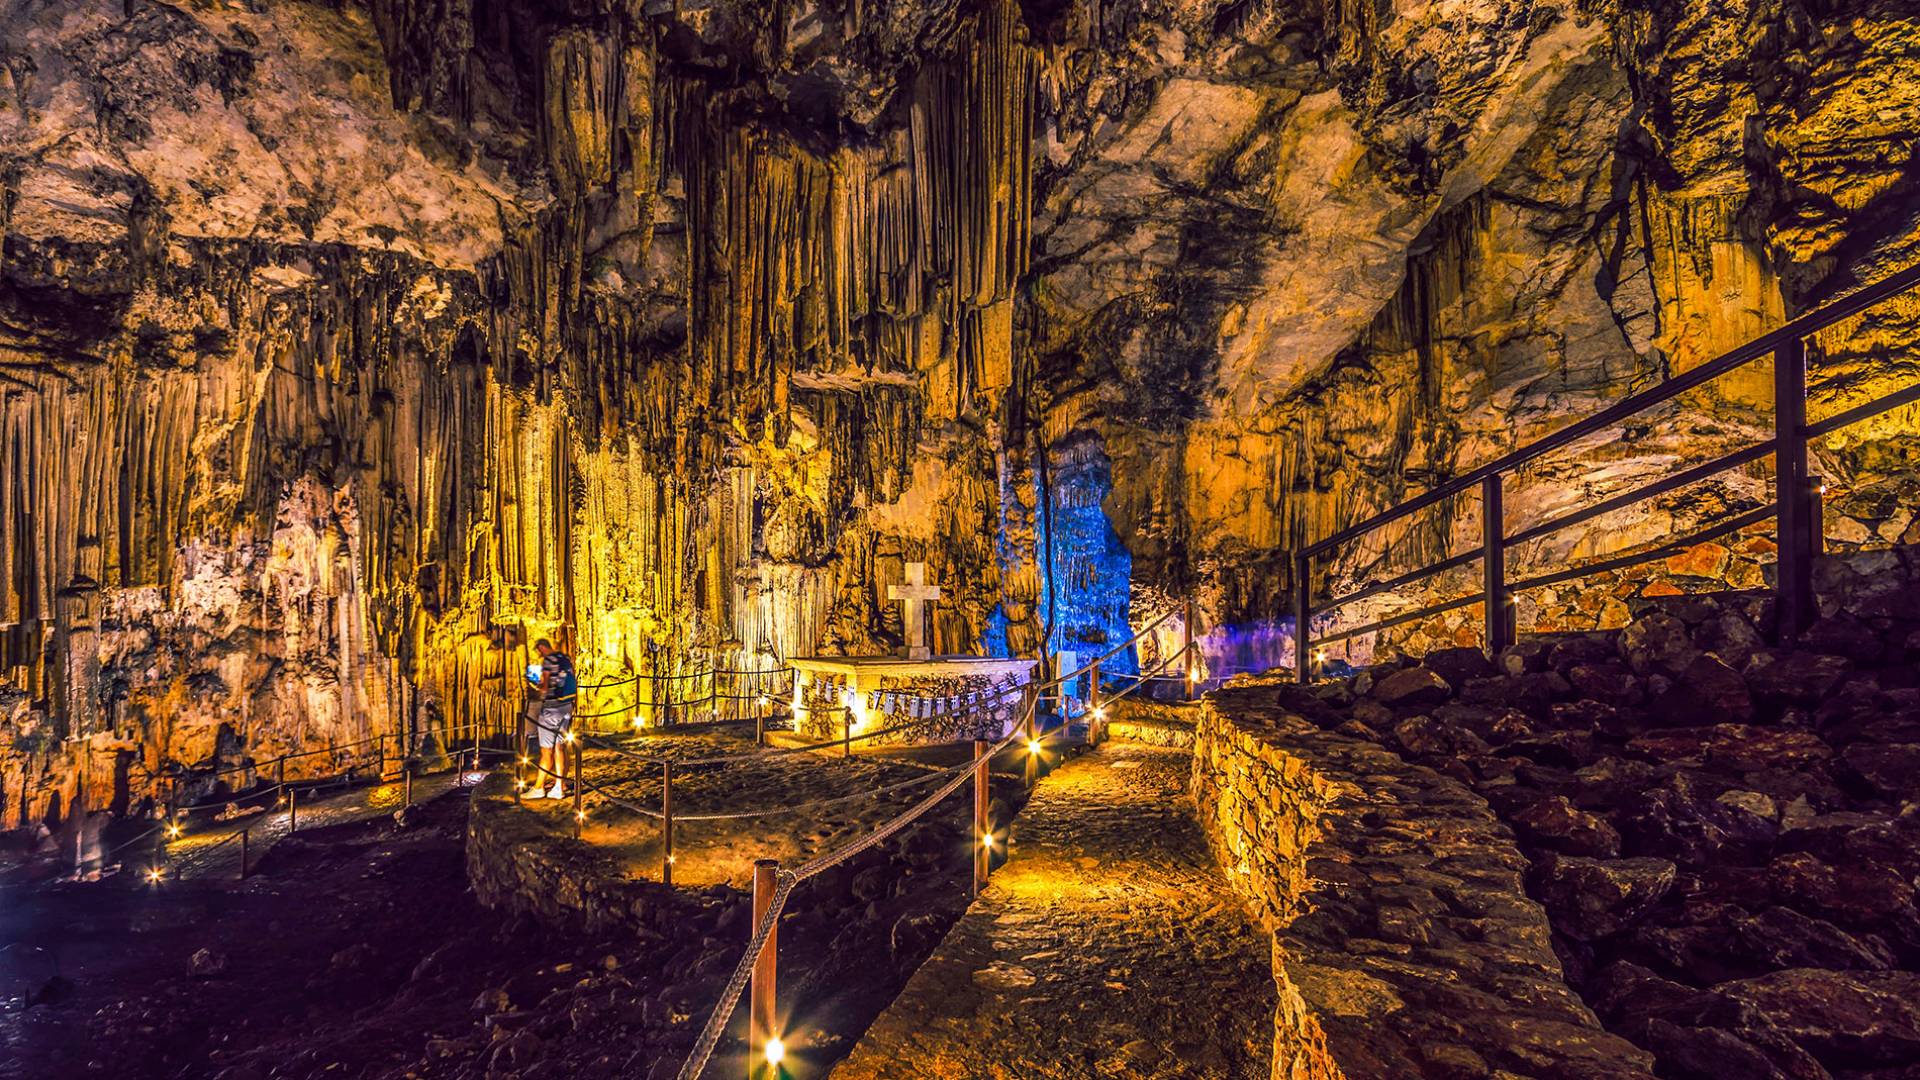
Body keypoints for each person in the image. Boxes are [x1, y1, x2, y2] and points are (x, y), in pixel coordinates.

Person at [525, 637, 578, 799]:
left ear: (542, 647)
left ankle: (538, 788)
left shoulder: (548, 661)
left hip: (552, 709)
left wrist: (536, 685)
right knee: (560, 748)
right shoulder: (564, 658)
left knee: (546, 751)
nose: (539, 654)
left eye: (538, 651)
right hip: (566, 707)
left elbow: (545, 687)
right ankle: (559, 786)